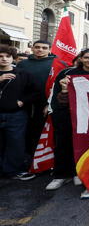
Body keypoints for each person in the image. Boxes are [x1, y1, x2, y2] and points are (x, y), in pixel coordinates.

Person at [46, 49, 89, 192]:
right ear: (80, 59)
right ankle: (61, 175)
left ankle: (79, 172)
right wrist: (56, 113)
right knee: (63, 145)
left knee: (88, 145)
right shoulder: (66, 73)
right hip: (66, 115)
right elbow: (55, 93)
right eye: (86, 57)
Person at [16, 40, 62, 163]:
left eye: (44, 47)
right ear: (32, 48)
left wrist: (50, 103)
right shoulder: (23, 64)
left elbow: (60, 84)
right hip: (26, 102)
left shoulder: (57, 63)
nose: (40, 50)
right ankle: (28, 156)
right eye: (37, 47)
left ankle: (44, 159)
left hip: (48, 102)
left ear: (49, 49)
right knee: (27, 129)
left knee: (44, 130)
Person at [0, 45, 38, 181]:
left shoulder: (23, 73)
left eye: (7, 56)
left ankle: (12, 171)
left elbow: (35, 92)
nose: (4, 59)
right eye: (0, 56)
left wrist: (23, 101)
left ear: (13, 58)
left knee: (16, 143)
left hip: (16, 115)